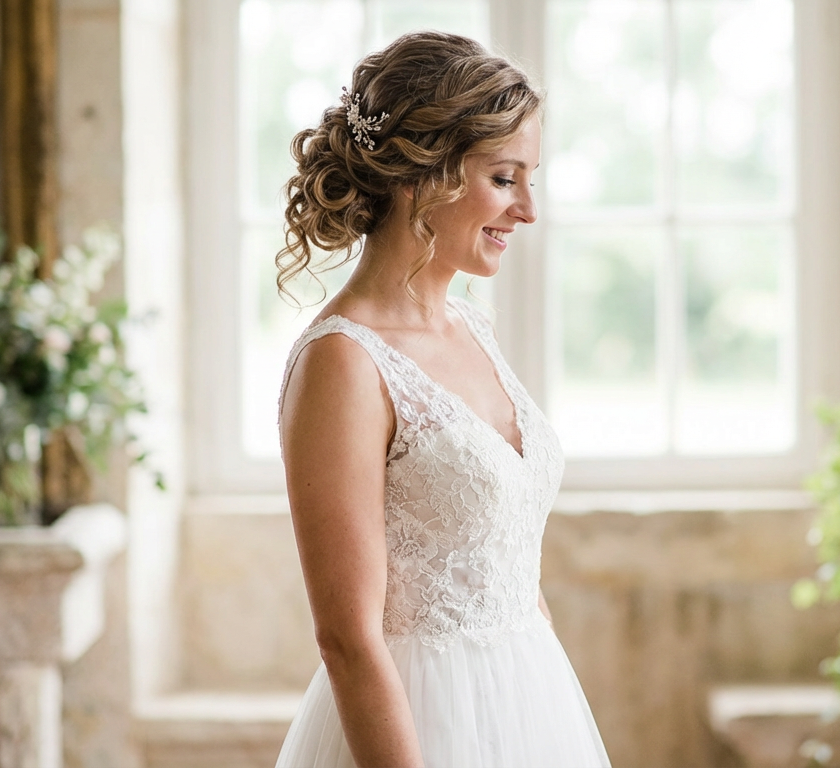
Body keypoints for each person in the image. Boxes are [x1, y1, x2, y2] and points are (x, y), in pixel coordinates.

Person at [274, 31, 610, 768]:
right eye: (505, 178)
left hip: (529, 706)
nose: (528, 209)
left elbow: (508, 565)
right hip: (421, 726)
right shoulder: (343, 362)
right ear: (420, 174)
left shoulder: (473, 328)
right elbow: (346, 638)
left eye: (531, 179)